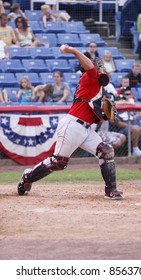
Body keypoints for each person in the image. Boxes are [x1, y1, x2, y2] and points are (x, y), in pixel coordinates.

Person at [16, 44, 123, 200]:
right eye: (98, 66)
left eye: (101, 67)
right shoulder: (89, 76)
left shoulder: (98, 88)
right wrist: (72, 50)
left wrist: (105, 116)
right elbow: (89, 67)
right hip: (72, 126)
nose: (101, 69)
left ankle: (111, 190)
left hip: (86, 129)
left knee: (105, 151)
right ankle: (27, 177)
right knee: (58, 162)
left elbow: (96, 117)